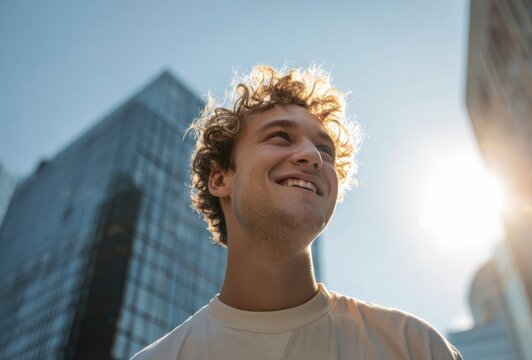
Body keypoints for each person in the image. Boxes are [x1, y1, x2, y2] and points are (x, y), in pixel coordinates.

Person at [132, 65, 462, 360]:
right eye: (280, 137)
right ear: (220, 179)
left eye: (324, 149)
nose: (312, 156)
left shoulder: (415, 347)